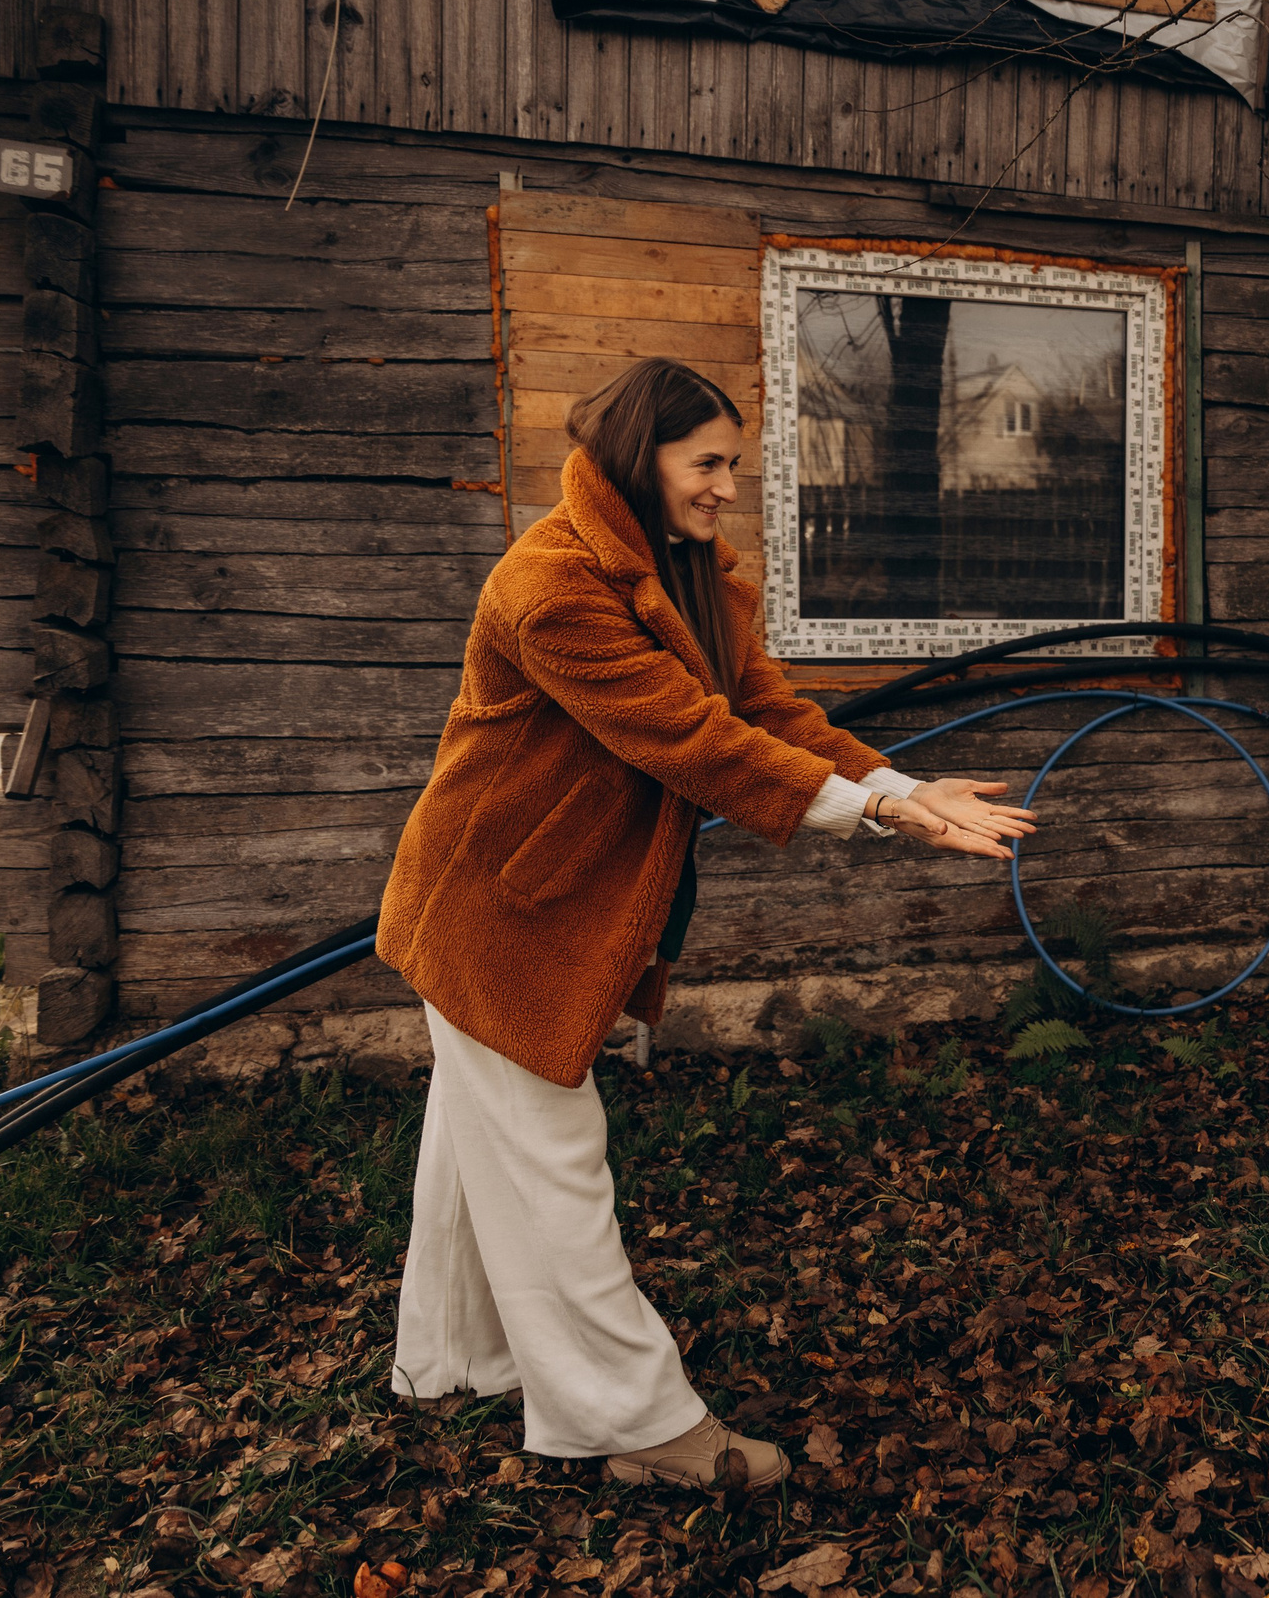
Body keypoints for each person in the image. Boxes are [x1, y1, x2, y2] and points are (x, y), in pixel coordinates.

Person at [375, 357, 1037, 1486]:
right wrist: (876, 814)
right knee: (553, 1164)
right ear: (645, 459)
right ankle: (632, 1424)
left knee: (479, 1149)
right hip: (500, 910)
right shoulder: (553, 588)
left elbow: (765, 710)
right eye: (709, 463)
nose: (729, 486)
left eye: (734, 464)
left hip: (541, 898)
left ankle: (450, 1363)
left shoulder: (682, 570)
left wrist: (899, 784)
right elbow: (692, 739)